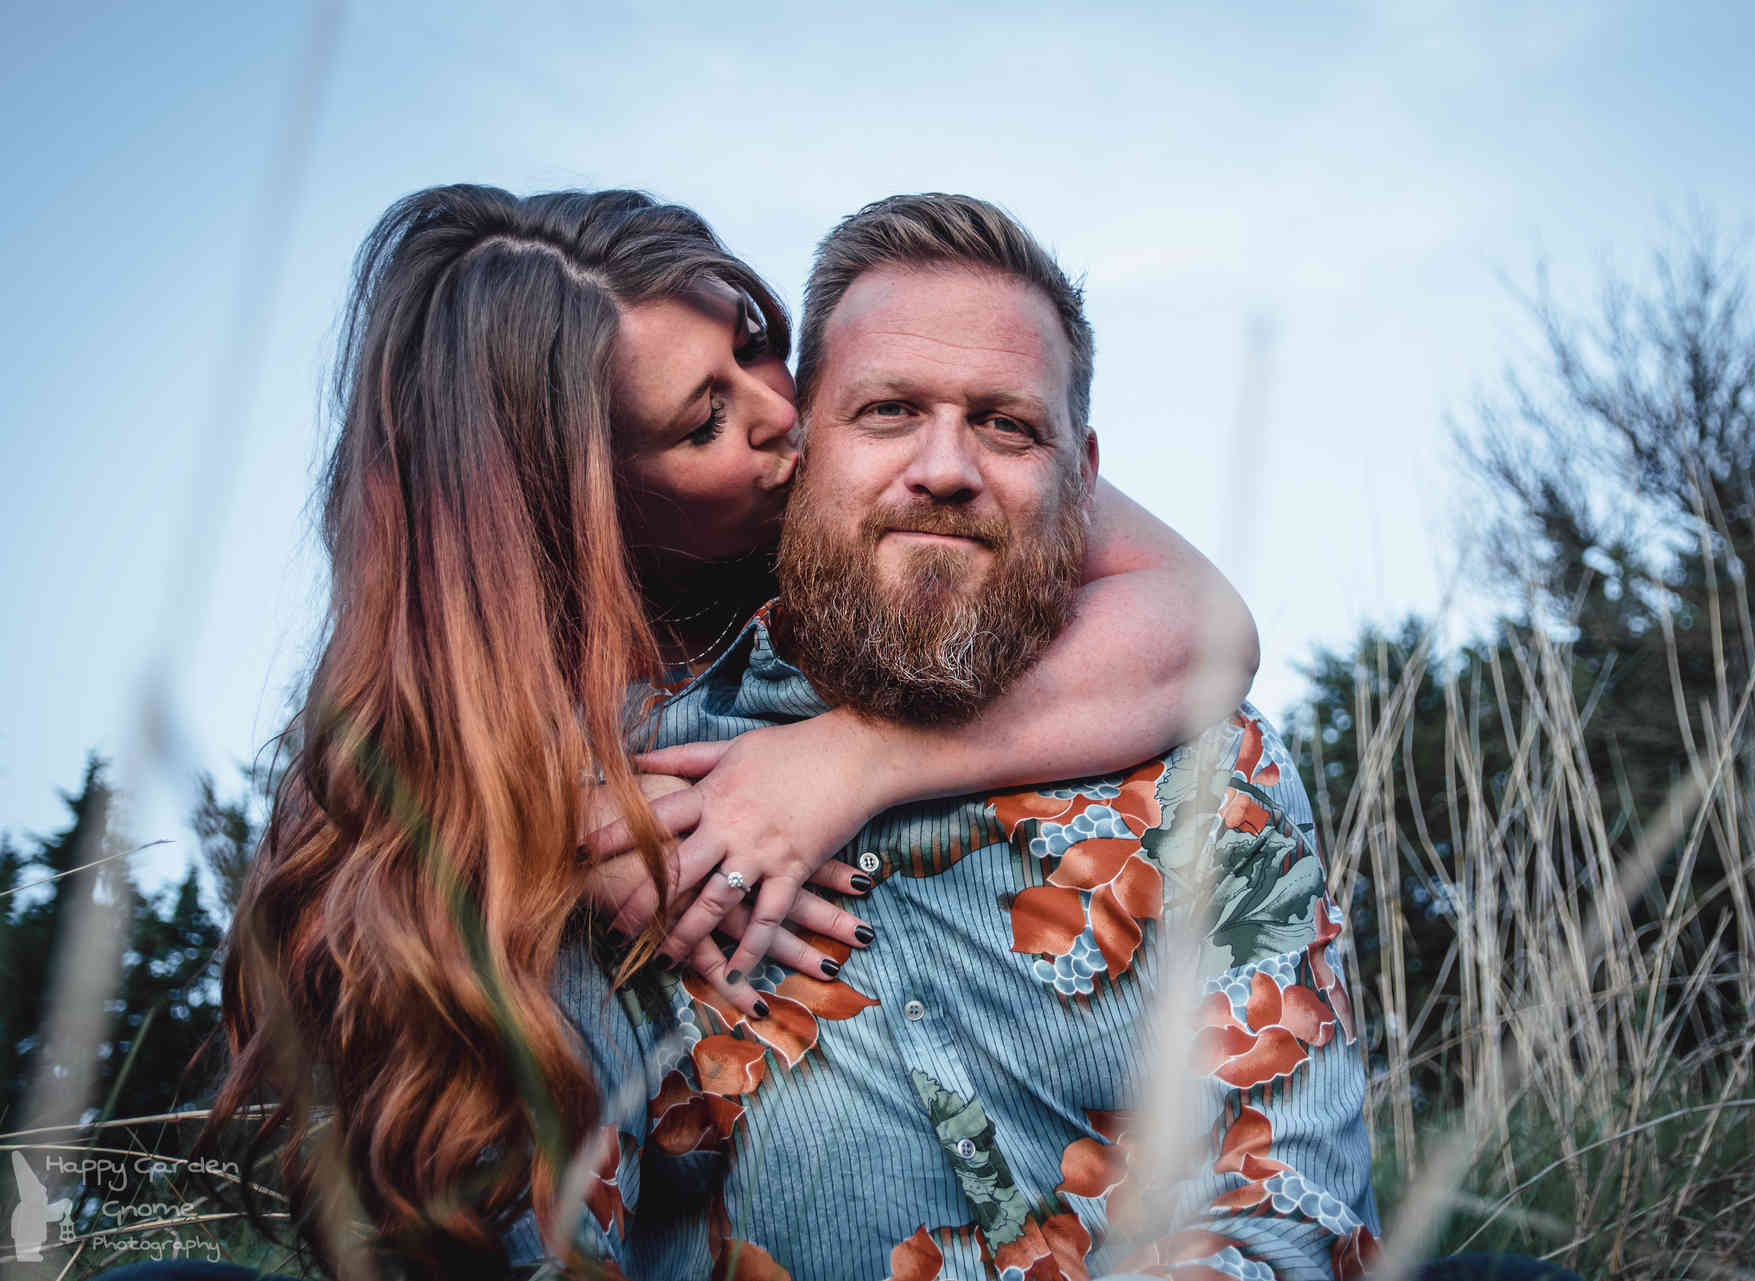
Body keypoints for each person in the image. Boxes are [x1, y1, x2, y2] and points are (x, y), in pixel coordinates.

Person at [199, 185, 1263, 1279]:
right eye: (703, 420)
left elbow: (1205, 623)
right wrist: (560, 825)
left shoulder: (889, 470)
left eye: (756, 346)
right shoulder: (461, 750)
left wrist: (849, 760)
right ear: (581, 500)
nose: (781, 414)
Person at [506, 193, 1382, 1281]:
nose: (947, 467)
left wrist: (859, 755)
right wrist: (538, 826)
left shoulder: (1204, 762)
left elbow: (1290, 1220)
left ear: (1082, 474)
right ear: (807, 446)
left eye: (1008, 425)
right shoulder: (638, 814)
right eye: (887, 411)